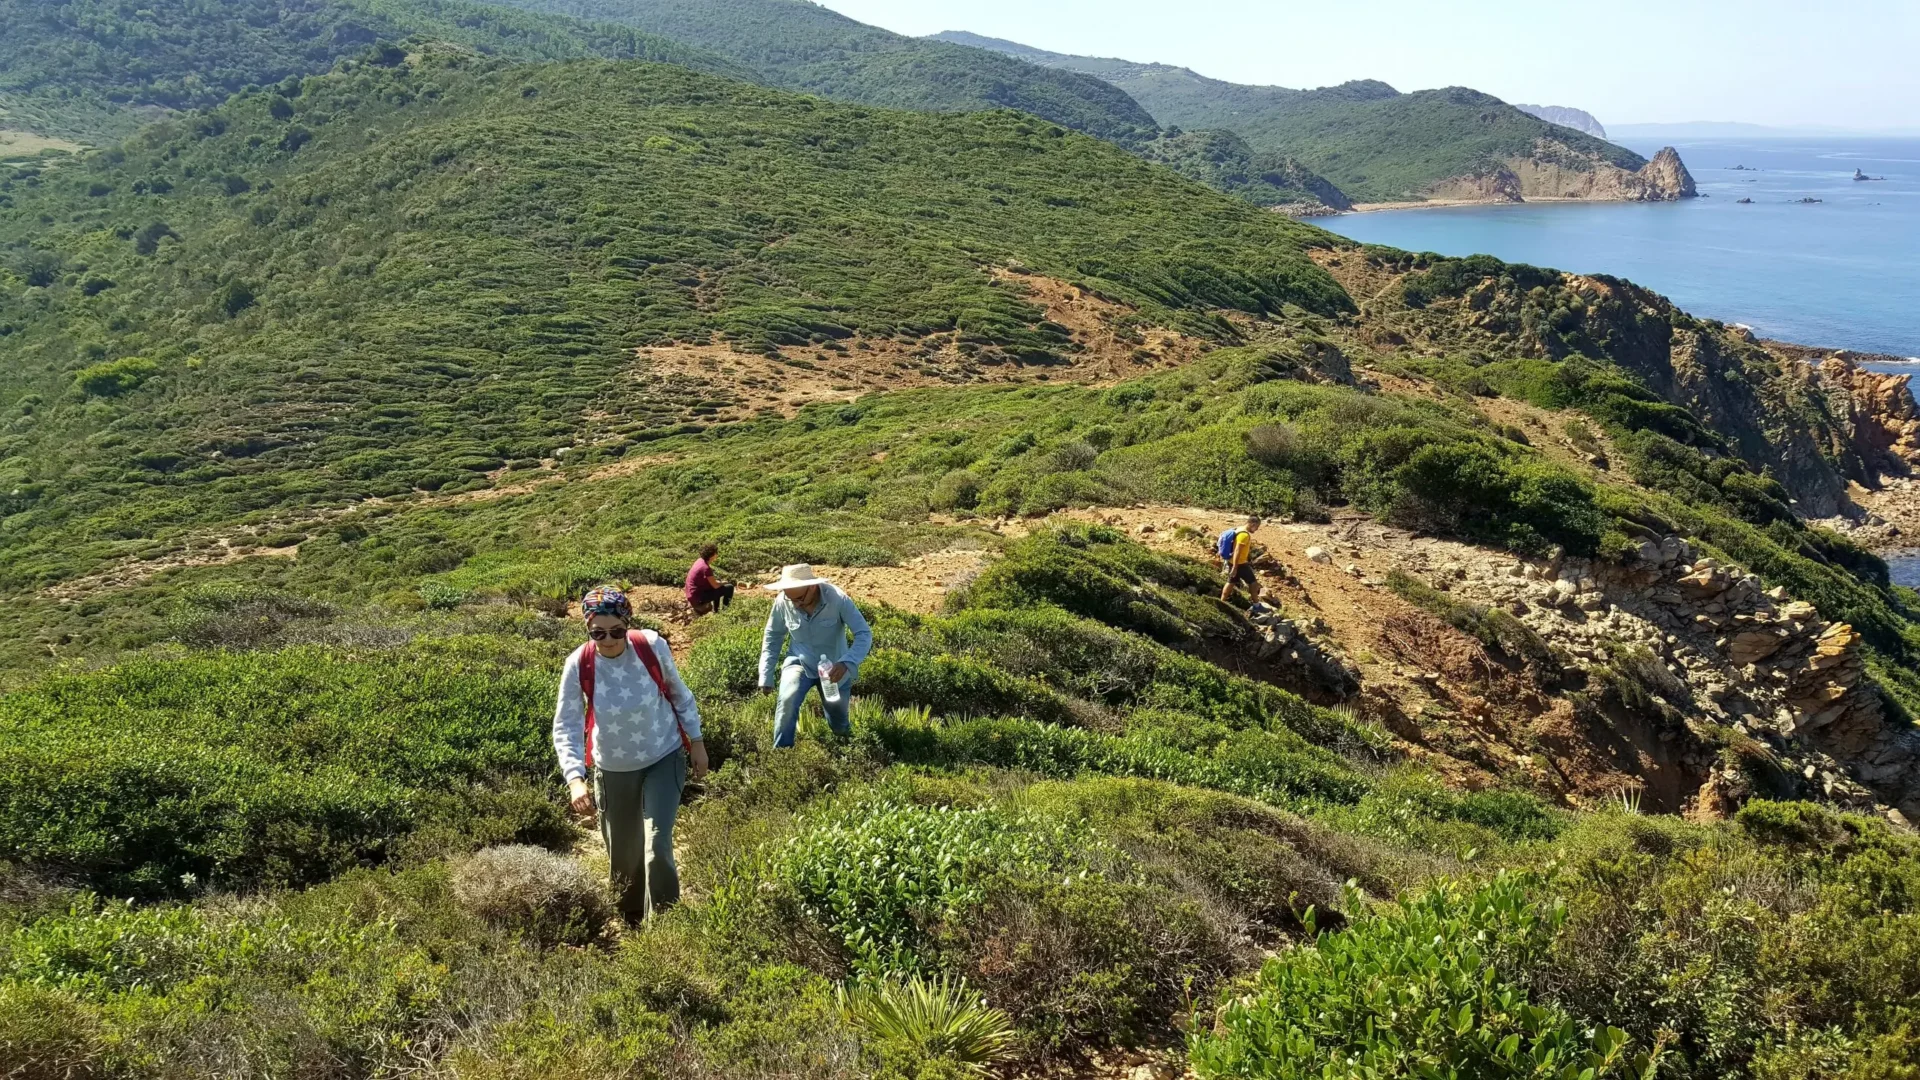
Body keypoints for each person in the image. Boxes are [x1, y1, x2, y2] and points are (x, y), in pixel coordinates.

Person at [553, 585, 709, 924]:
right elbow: (567, 723)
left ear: (628, 624)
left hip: (663, 755)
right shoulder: (579, 663)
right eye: (598, 633)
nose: (608, 639)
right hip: (613, 766)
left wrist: (696, 741)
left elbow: (679, 694)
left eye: (617, 631)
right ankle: (630, 915)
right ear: (587, 628)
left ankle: (665, 924)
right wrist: (575, 779)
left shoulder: (650, 645)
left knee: (657, 844)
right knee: (623, 851)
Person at [757, 563, 873, 748]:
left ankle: (845, 749)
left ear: (812, 587)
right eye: (790, 599)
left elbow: (864, 634)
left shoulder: (838, 599)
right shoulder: (783, 601)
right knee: (787, 700)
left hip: (835, 668)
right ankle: (781, 753)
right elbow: (773, 636)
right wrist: (766, 674)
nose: (795, 604)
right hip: (799, 661)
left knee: (838, 723)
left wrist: (846, 663)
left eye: (799, 599)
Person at [1218, 516, 1263, 604]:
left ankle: (1222, 602)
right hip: (1239, 564)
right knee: (1253, 583)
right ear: (1252, 524)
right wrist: (1235, 567)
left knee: (1231, 582)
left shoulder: (1238, 529)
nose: (1257, 529)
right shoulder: (1244, 535)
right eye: (1257, 527)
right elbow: (1237, 550)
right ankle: (1256, 605)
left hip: (1232, 561)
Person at [685, 542, 735, 615]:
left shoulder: (699, 560)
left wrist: (719, 583)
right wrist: (724, 582)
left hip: (692, 594)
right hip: (698, 598)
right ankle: (725, 611)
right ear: (712, 555)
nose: (717, 555)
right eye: (716, 553)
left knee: (717, 586)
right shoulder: (706, 568)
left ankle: (716, 610)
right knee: (729, 587)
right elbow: (715, 586)